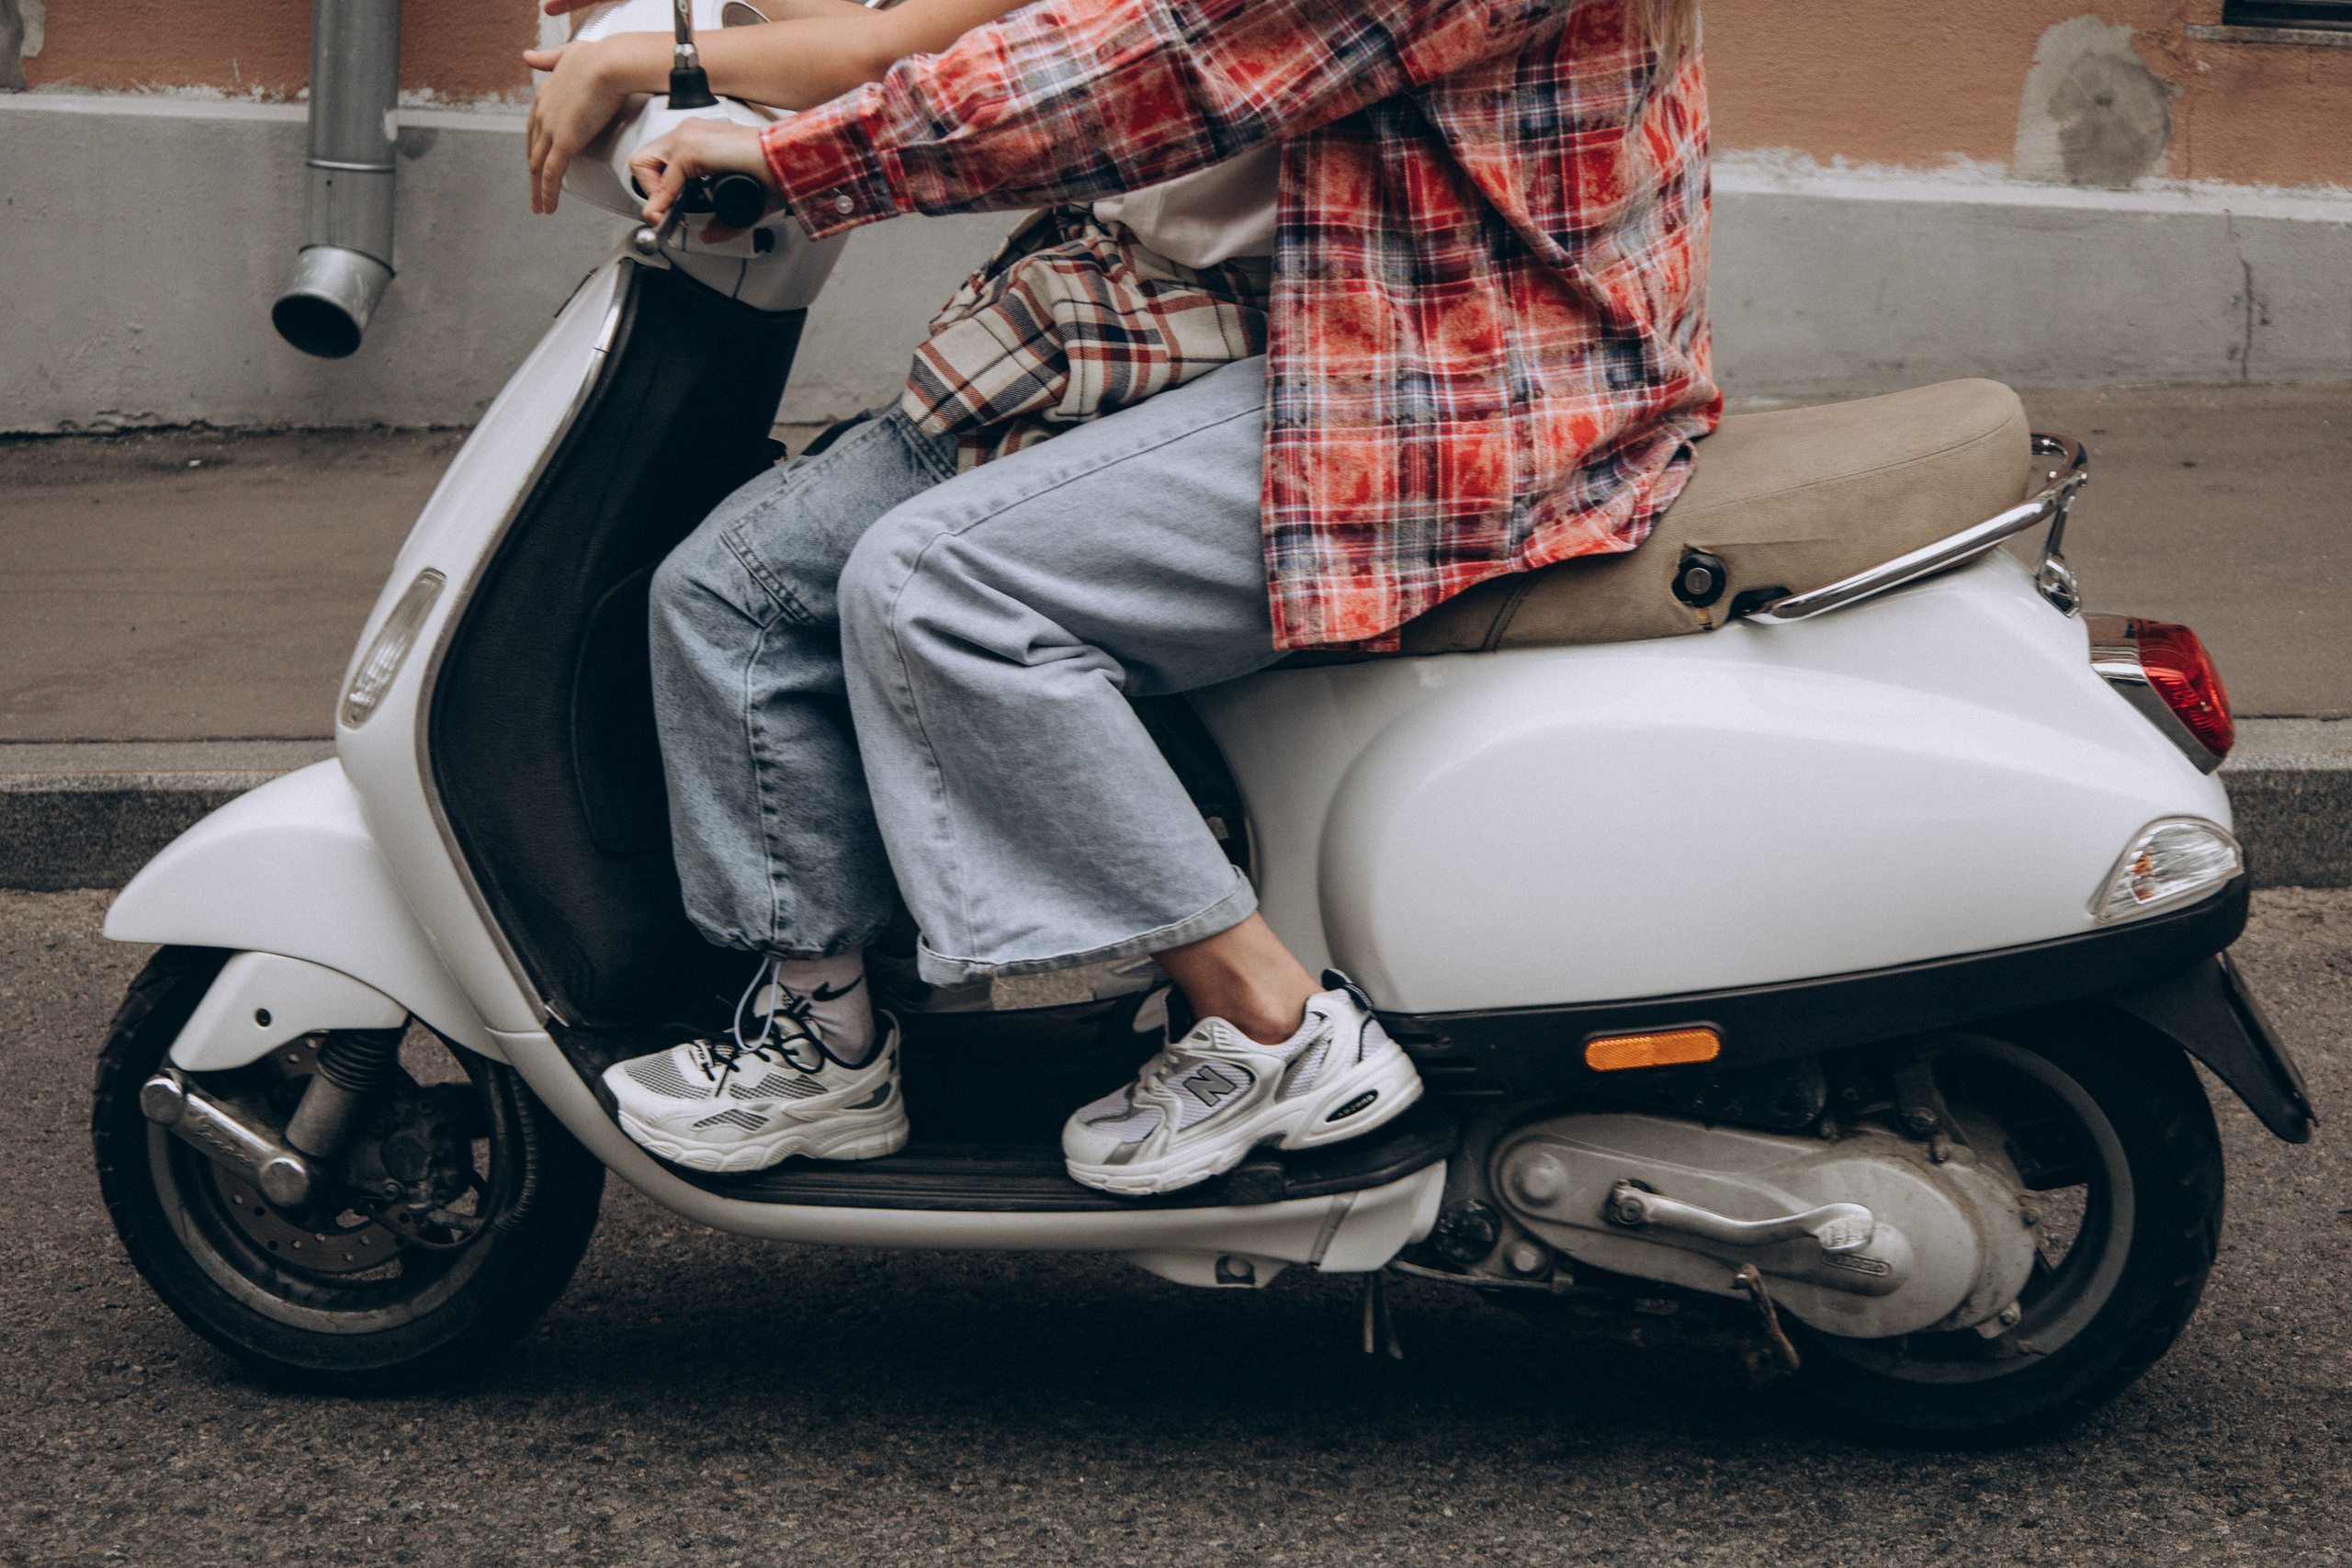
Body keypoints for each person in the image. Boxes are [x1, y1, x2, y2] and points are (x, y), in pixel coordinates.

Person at [526, 0, 1719, 1192]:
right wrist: (707, 40)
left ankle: (1267, 1022)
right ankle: (823, 1042)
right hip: (1204, 304)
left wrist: (799, 154)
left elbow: (1160, 67)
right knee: (740, 589)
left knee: (938, 583)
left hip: (1451, 367)